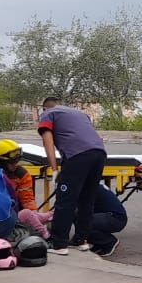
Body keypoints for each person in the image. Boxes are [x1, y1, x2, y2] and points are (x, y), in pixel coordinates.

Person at [38, 97, 106, 255]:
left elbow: (47, 142)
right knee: (86, 199)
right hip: (99, 154)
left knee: (65, 199)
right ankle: (81, 240)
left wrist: (54, 170)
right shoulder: (80, 114)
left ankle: (59, 244)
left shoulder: (49, 114)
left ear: (44, 108)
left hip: (77, 156)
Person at [0, 138, 53, 238]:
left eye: (17, 161)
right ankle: (45, 224)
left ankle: (46, 222)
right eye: (12, 163)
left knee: (28, 213)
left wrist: (32, 215)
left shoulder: (22, 174)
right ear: (1, 161)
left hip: (16, 214)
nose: (16, 165)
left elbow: (27, 199)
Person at [87, 182, 128, 258]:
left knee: (83, 222)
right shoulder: (92, 184)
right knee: (81, 220)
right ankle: (99, 244)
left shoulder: (88, 188)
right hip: (113, 216)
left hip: (115, 218)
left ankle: (109, 242)